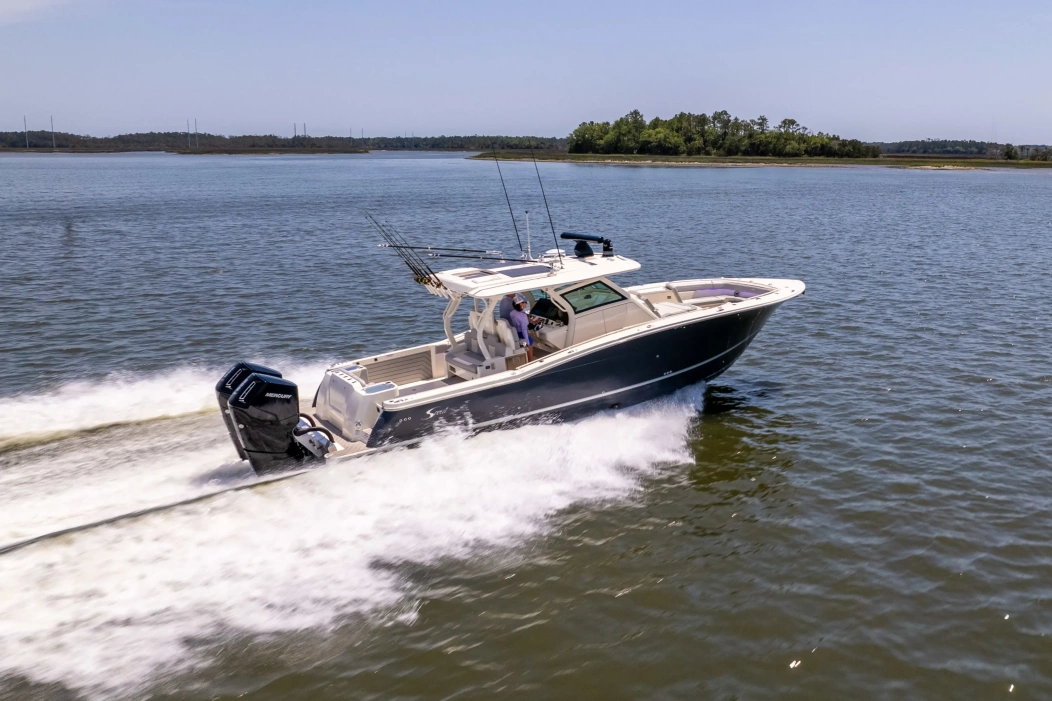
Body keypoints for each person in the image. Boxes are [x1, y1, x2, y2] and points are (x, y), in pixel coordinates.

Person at [508, 297, 535, 362]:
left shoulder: (512, 312)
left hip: (516, 333)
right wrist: (528, 342)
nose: (526, 303)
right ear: (520, 304)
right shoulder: (523, 316)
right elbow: (524, 330)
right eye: (523, 302)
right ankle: (531, 361)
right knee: (530, 341)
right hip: (521, 333)